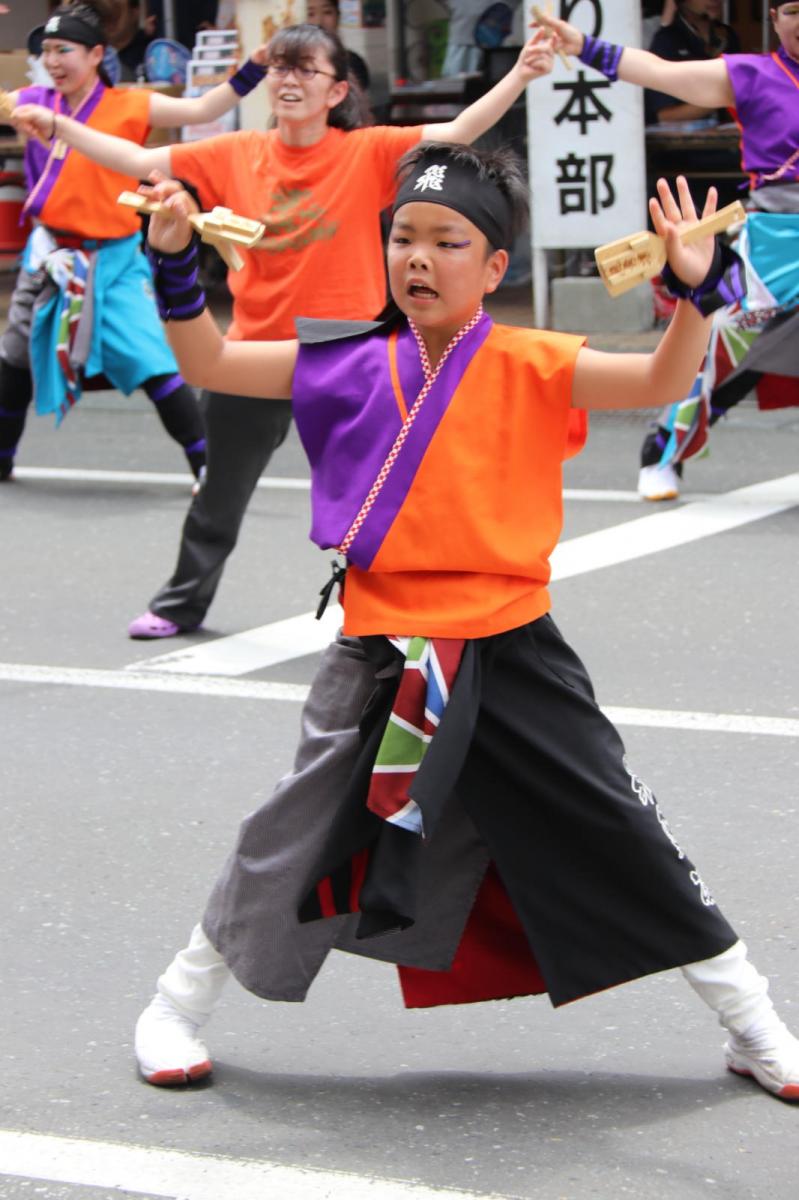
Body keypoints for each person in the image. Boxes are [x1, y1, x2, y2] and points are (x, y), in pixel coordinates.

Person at [128, 142, 799, 1100]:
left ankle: (752, 1021)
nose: (419, 258)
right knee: (290, 833)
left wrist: (696, 294)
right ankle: (174, 1005)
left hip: (511, 642)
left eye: (448, 242)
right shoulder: (343, 359)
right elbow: (210, 360)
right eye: (403, 236)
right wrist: (171, 261)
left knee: (623, 828)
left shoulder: (532, 359)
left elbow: (658, 382)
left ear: (493, 268)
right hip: (381, 649)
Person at [15, 22, 555, 637]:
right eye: (280, 68)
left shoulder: (368, 150)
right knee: (219, 492)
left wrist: (522, 72)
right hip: (253, 352)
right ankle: (179, 604)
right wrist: (58, 125)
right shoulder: (235, 152)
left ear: (336, 90)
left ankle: (394, 613)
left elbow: (456, 132)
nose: (289, 80)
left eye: (305, 69)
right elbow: (137, 160)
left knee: (383, 495)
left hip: (349, 354)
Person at [536, 4, 799, 501]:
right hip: (776, 241)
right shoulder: (753, 75)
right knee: (719, 346)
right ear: (774, 17)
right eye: (793, 10)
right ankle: (662, 452)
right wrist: (583, 46)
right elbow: (662, 72)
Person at [0, 2, 271, 483]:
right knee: (15, 359)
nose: (54, 61)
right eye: (47, 51)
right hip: (50, 256)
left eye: (65, 50)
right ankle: (2, 460)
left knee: (154, 363)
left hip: (115, 259)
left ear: (96, 54)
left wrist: (254, 67)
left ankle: (208, 467)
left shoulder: (130, 104)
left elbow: (203, 108)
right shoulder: (32, 100)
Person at [306, 0, 371, 93]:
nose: (319, 22)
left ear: (338, 16)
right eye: (310, 14)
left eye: (327, 12)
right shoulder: (292, 64)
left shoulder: (352, 63)